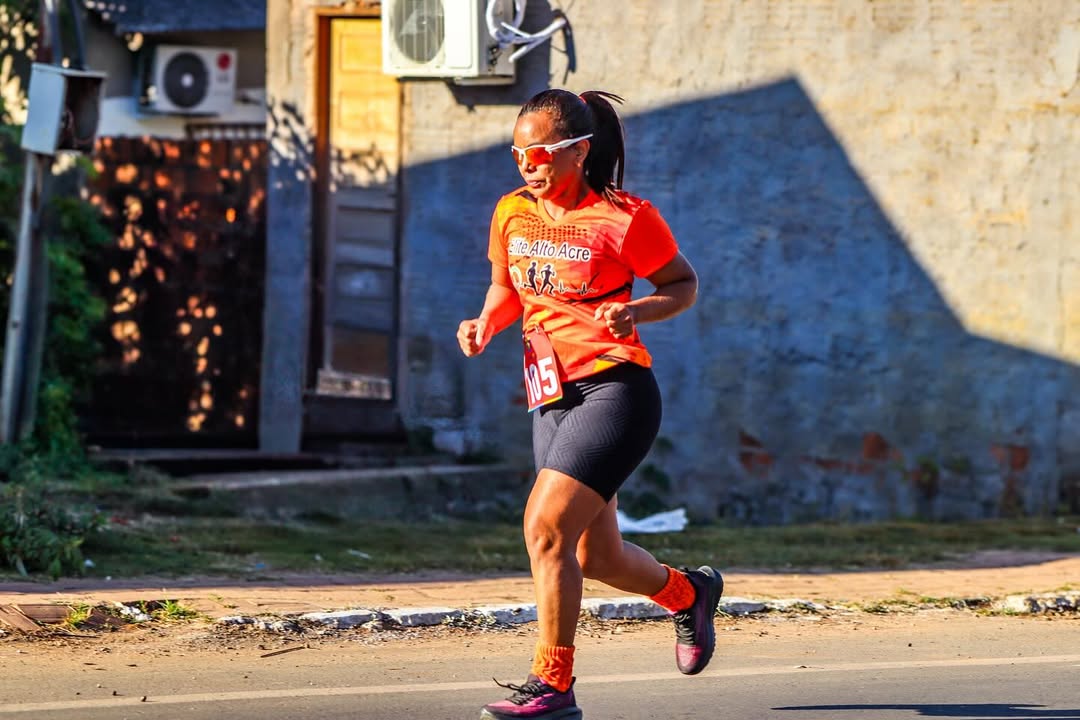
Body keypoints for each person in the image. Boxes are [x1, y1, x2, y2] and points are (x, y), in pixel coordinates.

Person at [456, 88, 724, 720]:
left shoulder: (625, 217)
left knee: (544, 529)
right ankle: (689, 594)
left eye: (540, 152)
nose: (527, 164)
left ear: (578, 151)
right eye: (517, 153)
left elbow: (682, 284)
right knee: (594, 556)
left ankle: (553, 685)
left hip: (614, 390)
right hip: (551, 395)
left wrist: (637, 311)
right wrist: (486, 322)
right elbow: (505, 288)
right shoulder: (511, 212)